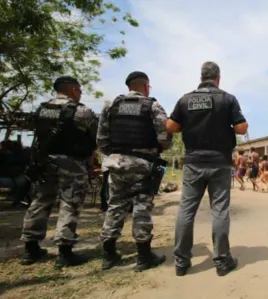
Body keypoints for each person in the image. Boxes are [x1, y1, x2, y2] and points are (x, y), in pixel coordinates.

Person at [167, 61, 247, 277]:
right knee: (219, 211)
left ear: (201, 77)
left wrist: (189, 124)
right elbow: (240, 128)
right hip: (220, 162)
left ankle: (181, 263)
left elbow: (170, 127)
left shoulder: (186, 99)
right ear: (218, 78)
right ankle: (222, 262)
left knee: (186, 210)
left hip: (193, 162)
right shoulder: (227, 99)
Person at [20, 76, 98, 267]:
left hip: (44, 163)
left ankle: (30, 249)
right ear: (73, 90)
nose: (80, 94)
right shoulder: (82, 112)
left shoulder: (41, 110)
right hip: (71, 164)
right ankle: (65, 252)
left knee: (40, 201)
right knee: (70, 204)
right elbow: (98, 135)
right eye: (79, 91)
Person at [98, 71, 171, 271]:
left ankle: (108, 255)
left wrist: (116, 155)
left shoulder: (111, 106)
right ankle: (143, 256)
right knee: (141, 208)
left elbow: (101, 140)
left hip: (117, 164)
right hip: (143, 165)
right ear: (146, 86)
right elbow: (165, 138)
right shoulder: (152, 106)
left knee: (115, 206)